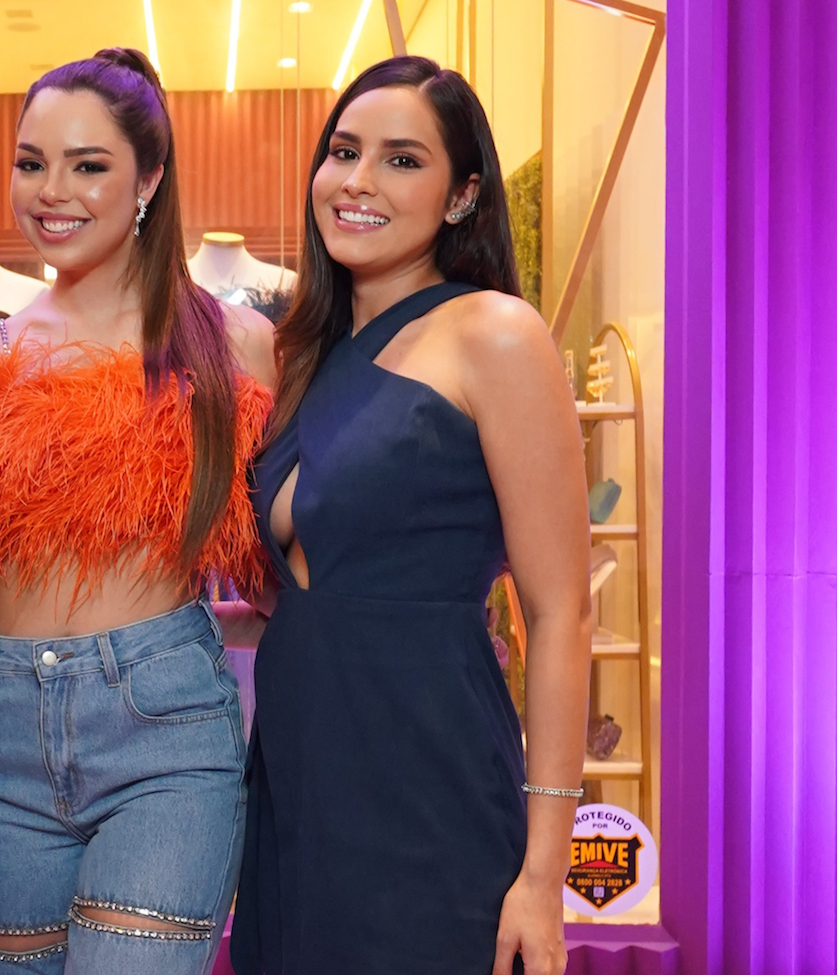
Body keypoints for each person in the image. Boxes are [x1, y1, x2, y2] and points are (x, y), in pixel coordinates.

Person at [229, 57, 592, 975]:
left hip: (428, 773)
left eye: (401, 160)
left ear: (463, 194)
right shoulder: (304, 358)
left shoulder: (495, 335)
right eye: (344, 151)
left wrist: (544, 873)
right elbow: (313, 586)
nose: (358, 181)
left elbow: (561, 612)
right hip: (299, 778)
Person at [0, 48, 276, 975]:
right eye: (31, 162)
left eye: (88, 165)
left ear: (149, 180)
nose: (53, 191)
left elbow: (289, 553)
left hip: (163, 738)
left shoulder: (231, 346)